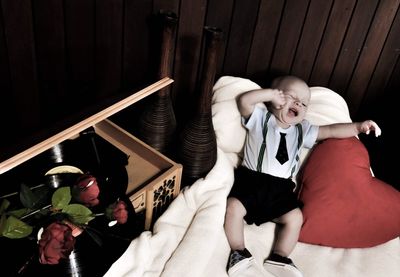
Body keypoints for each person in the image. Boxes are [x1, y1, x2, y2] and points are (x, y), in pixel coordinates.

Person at [224, 75, 381, 277]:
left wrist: (358, 127)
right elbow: (244, 101)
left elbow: (331, 130)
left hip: (281, 189)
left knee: (295, 217)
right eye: (290, 96)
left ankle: (279, 256)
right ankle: (239, 251)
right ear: (274, 99)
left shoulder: (302, 130)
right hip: (252, 180)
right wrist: (269, 94)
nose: (298, 103)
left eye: (304, 103)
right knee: (233, 207)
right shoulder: (261, 119)